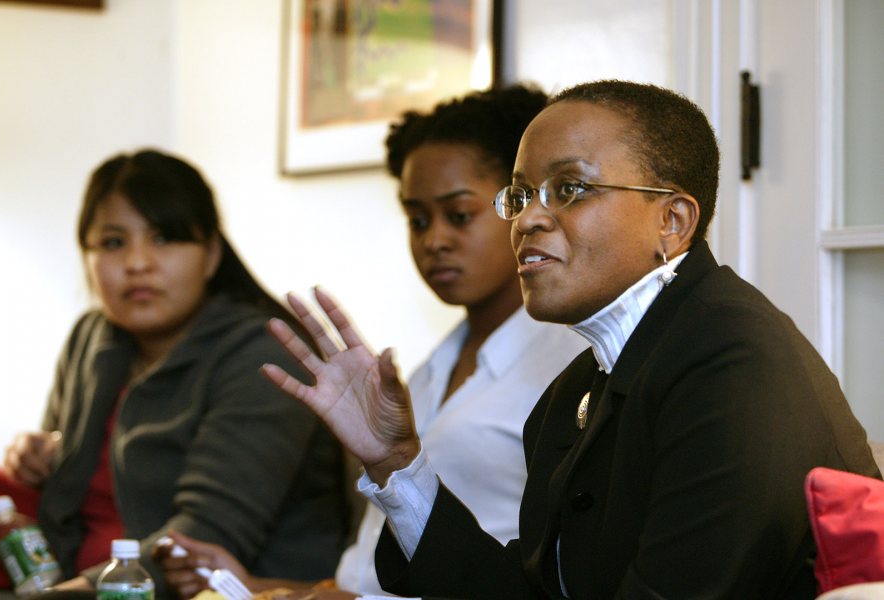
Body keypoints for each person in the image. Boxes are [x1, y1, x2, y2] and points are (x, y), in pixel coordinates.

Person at [259, 80, 882, 599]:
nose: (528, 217)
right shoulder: (577, 389)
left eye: (570, 189)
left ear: (673, 220)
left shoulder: (730, 360)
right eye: (524, 193)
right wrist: (397, 465)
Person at [158, 86, 585, 599]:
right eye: (418, 219)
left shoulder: (566, 367)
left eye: (459, 215)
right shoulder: (428, 372)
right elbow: (363, 580)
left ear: (516, 205)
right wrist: (253, 585)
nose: (434, 241)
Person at [0, 149, 351, 597]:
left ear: (212, 254)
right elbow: (59, 503)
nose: (138, 262)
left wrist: (61, 597)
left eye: (163, 238)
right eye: (113, 243)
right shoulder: (92, 336)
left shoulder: (263, 353)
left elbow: (201, 541)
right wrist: (37, 457)